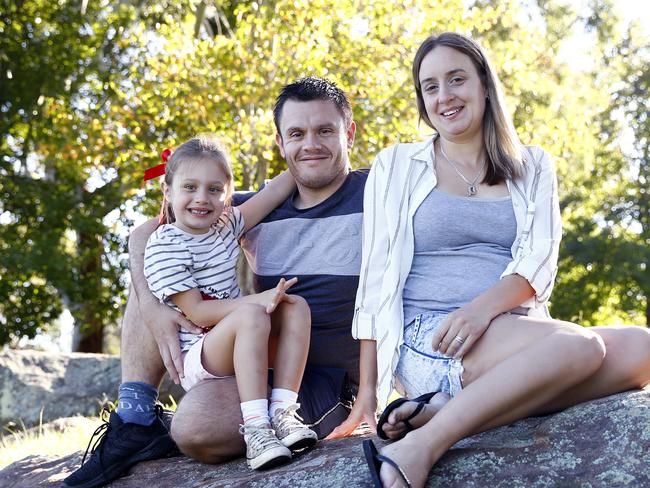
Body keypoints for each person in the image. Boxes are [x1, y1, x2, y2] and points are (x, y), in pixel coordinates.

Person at [354, 32, 650, 488]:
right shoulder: (395, 165)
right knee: (583, 346)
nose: (445, 96)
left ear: (484, 85)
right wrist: (367, 398)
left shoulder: (533, 165)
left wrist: (482, 308)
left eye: (456, 80)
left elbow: (540, 259)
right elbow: (373, 280)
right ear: (422, 99)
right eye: (430, 86)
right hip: (431, 336)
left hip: (510, 328)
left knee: (643, 349)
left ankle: (447, 410)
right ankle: (419, 447)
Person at [64, 77, 374, 488]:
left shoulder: (376, 194)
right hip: (250, 346)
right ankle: (136, 417)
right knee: (157, 275)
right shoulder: (255, 207)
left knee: (195, 428)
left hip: (324, 380)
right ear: (280, 143)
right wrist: (155, 311)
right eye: (297, 133)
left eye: (325, 131)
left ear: (348, 133)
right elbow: (147, 232)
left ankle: (261, 419)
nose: (310, 144)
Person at [142, 135, 317, 470]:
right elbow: (198, 312)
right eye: (189, 187)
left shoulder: (225, 225)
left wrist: (302, 155)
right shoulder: (164, 245)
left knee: (295, 307)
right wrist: (259, 300)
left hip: (240, 335)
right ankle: (256, 429)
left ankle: (283, 413)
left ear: (228, 193)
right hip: (201, 352)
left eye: (214, 189)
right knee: (253, 314)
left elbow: (273, 193)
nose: (201, 199)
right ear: (168, 191)